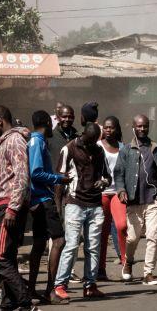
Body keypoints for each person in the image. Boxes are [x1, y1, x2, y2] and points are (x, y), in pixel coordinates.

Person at [0, 106, 33, 311]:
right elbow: (4, 180)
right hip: (1, 205)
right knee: (7, 256)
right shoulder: (3, 143)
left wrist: (12, 208)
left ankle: (24, 299)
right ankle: (10, 302)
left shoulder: (14, 141)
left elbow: (22, 175)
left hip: (8, 208)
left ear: (0, 121)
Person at [53, 122, 108, 302]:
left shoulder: (99, 151)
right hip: (74, 204)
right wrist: (58, 206)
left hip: (95, 205)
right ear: (83, 135)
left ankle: (90, 285)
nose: (92, 145)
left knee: (93, 247)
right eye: (90, 141)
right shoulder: (69, 149)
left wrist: (104, 182)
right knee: (71, 246)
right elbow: (60, 178)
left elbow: (107, 175)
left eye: (95, 142)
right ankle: (60, 285)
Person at [114, 114, 157, 285]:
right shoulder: (126, 150)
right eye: (139, 126)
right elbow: (119, 173)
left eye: (145, 126)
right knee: (132, 238)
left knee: (153, 235)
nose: (142, 129)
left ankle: (148, 273)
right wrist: (121, 190)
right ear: (133, 127)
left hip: (152, 200)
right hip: (133, 200)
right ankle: (128, 262)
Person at [27, 111, 69, 302]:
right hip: (43, 199)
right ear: (46, 123)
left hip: (39, 199)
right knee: (59, 241)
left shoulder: (37, 141)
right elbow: (36, 172)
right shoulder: (37, 141)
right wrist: (58, 178)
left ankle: (31, 289)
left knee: (39, 243)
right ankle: (49, 290)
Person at [98, 116, 127, 282]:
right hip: (102, 193)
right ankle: (100, 269)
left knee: (122, 225)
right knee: (102, 232)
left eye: (112, 128)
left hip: (118, 192)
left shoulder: (123, 148)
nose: (108, 130)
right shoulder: (97, 146)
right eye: (106, 128)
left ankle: (125, 264)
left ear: (117, 129)